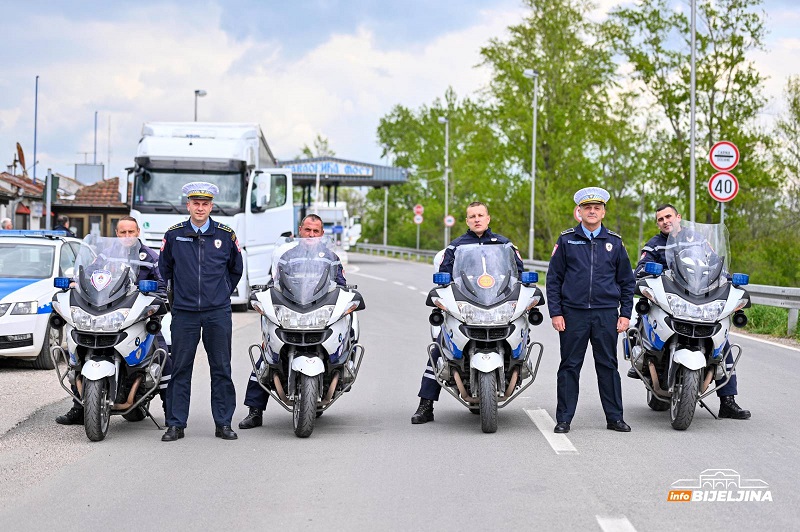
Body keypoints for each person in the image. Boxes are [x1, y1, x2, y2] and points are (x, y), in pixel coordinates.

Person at [629, 203, 750, 420]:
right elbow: (640, 267)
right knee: (644, 315)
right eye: (660, 219)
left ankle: (728, 401)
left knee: (722, 340)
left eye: (668, 217)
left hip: (697, 296)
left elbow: (717, 264)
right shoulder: (654, 245)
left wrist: (728, 278)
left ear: (678, 217)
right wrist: (648, 272)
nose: (665, 221)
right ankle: (641, 351)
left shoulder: (698, 240)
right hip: (672, 295)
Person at [410, 201, 524, 424]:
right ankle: (426, 405)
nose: (477, 219)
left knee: (522, 333)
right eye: (472, 216)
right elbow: (443, 278)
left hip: (498, 306)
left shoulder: (505, 245)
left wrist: (526, 291)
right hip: (467, 307)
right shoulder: (455, 247)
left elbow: (518, 275)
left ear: (488, 218)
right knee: (440, 348)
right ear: (467, 221)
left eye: (481, 215)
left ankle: (517, 366)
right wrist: (441, 294)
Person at [56, 216, 172, 425]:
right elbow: (88, 274)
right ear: (116, 234)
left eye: (131, 232)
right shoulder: (105, 254)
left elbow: (162, 284)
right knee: (78, 354)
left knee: (162, 353)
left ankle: (171, 412)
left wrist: (159, 297)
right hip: (106, 311)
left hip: (135, 315)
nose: (127, 236)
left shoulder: (151, 257)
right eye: (122, 232)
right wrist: (76, 283)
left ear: (138, 232)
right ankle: (78, 408)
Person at [238, 214, 347, 429]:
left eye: (316, 231)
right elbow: (274, 282)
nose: (311, 235)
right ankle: (255, 411)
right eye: (307, 230)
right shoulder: (286, 256)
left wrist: (347, 296)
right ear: (300, 231)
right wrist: (264, 294)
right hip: (292, 310)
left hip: (318, 312)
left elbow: (341, 284)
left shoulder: (331, 257)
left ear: (322, 234)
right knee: (267, 355)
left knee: (343, 338)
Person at [158, 182, 243, 442]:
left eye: (205, 204)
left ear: (211, 206)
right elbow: (165, 269)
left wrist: (221, 293)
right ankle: (175, 424)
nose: (200, 208)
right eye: (196, 203)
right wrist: (179, 297)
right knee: (181, 368)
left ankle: (223, 423)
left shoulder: (225, 234)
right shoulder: (174, 235)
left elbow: (235, 269)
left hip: (217, 312)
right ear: (188, 205)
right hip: (184, 313)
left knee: (221, 368)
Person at [546, 187, 635, 434]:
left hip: (606, 314)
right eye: (587, 208)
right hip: (572, 314)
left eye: (597, 208)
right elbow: (553, 279)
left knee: (607, 365)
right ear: (580, 211)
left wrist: (625, 313)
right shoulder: (566, 240)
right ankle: (564, 419)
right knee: (569, 366)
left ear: (603, 211)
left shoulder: (615, 243)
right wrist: (556, 312)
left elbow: (627, 281)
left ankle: (615, 418)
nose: (592, 211)